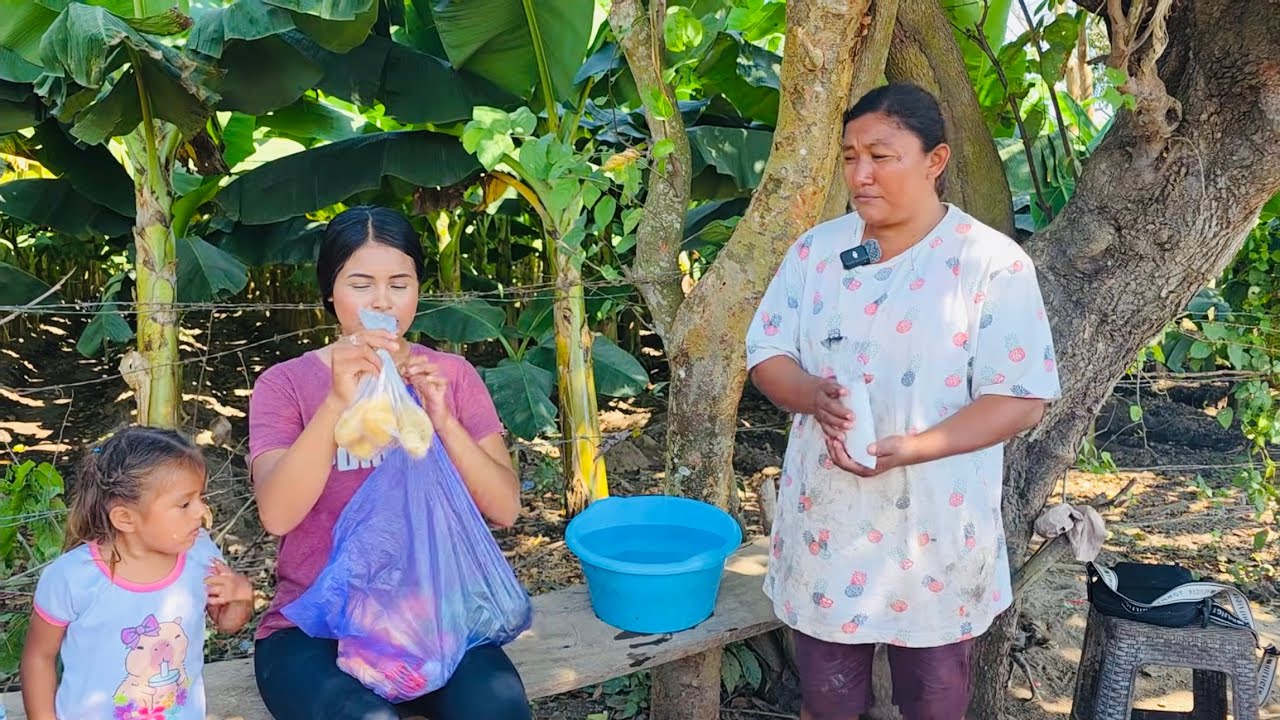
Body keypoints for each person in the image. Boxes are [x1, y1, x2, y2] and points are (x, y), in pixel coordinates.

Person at [746, 82, 1062, 720]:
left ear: (936, 161)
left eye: (881, 156)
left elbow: (1021, 397)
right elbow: (767, 354)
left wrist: (915, 448)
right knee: (827, 702)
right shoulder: (816, 253)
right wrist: (811, 394)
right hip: (828, 524)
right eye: (849, 156)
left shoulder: (988, 264)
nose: (860, 175)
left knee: (936, 701)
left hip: (937, 536)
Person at [247, 205, 530, 720]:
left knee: (497, 707)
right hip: (313, 627)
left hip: (434, 613)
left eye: (399, 283)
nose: (382, 301)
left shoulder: (450, 375)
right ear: (329, 291)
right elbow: (277, 514)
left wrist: (443, 421)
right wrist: (336, 403)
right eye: (360, 284)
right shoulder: (286, 384)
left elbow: (506, 508)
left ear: (419, 290)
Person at [20, 426, 254, 720]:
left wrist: (241, 597)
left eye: (200, 497)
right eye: (185, 503)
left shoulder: (201, 555)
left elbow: (228, 623)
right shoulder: (71, 578)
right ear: (125, 518)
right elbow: (38, 657)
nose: (201, 511)